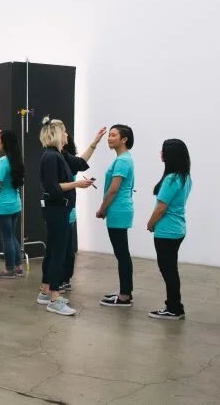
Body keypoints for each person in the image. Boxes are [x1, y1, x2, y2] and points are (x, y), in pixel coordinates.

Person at [36, 117, 94, 317]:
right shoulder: (51, 157)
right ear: (57, 134)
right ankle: (54, 297)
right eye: (65, 131)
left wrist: (94, 142)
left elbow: (81, 163)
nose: (68, 135)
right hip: (56, 210)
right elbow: (53, 188)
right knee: (58, 252)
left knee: (53, 250)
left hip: (59, 209)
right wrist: (77, 185)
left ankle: (45, 290)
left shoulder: (60, 155)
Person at [146, 139, 192, 320]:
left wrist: (151, 223)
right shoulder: (184, 177)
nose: (160, 153)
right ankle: (175, 306)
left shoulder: (172, 178)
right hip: (177, 228)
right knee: (170, 268)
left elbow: (161, 207)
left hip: (167, 230)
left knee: (168, 270)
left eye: (163, 150)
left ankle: (173, 307)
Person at [60, 128, 106, 291]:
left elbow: (82, 162)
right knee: (65, 248)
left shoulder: (64, 159)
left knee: (62, 248)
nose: (64, 134)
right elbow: (82, 161)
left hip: (64, 210)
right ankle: (64, 279)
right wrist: (94, 143)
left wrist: (94, 143)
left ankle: (61, 280)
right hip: (69, 210)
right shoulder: (66, 159)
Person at [97, 124, 136, 308]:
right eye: (109, 135)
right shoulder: (124, 159)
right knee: (122, 253)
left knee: (122, 253)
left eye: (113, 135)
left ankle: (124, 295)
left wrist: (102, 209)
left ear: (124, 139)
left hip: (118, 210)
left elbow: (113, 190)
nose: (109, 138)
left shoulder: (122, 161)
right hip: (120, 210)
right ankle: (125, 291)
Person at [0, 130, 25, 279]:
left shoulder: (3, 162)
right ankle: (18, 267)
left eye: (0, 141)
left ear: (5, 143)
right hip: (15, 204)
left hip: (3, 206)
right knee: (12, 236)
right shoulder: (16, 159)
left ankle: (9, 269)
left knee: (7, 238)